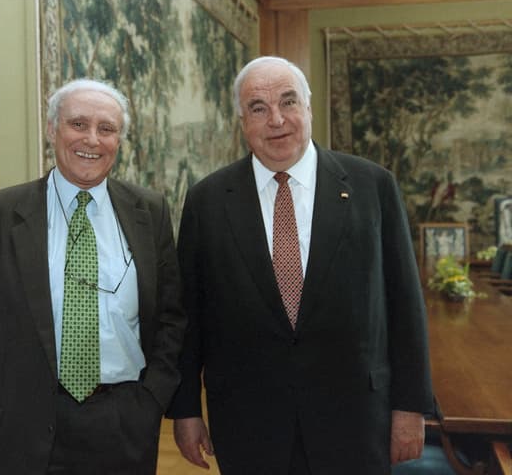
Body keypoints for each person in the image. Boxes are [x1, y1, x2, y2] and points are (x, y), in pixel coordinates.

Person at [167, 56, 434, 474]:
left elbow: (405, 304)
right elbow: (189, 316)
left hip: (356, 420)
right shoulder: (207, 200)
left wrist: (410, 407)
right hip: (249, 425)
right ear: (242, 121)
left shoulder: (371, 186)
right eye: (258, 107)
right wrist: (185, 410)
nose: (276, 120)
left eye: (288, 102)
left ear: (309, 109)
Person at [0, 78, 186, 475]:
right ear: (52, 129)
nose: (92, 140)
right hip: (21, 428)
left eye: (106, 129)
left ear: (119, 140)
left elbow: (171, 318)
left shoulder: (151, 212)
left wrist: (151, 400)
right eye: (78, 124)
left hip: (124, 425)